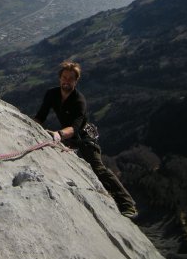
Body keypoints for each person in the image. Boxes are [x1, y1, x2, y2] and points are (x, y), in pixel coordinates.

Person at [34, 60, 138, 219]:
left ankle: (127, 204)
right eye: (64, 77)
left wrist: (59, 135)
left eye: (70, 78)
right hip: (67, 137)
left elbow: (75, 127)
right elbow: (41, 116)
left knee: (98, 168)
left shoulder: (79, 101)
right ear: (59, 78)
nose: (66, 81)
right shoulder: (52, 94)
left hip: (84, 138)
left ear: (76, 81)